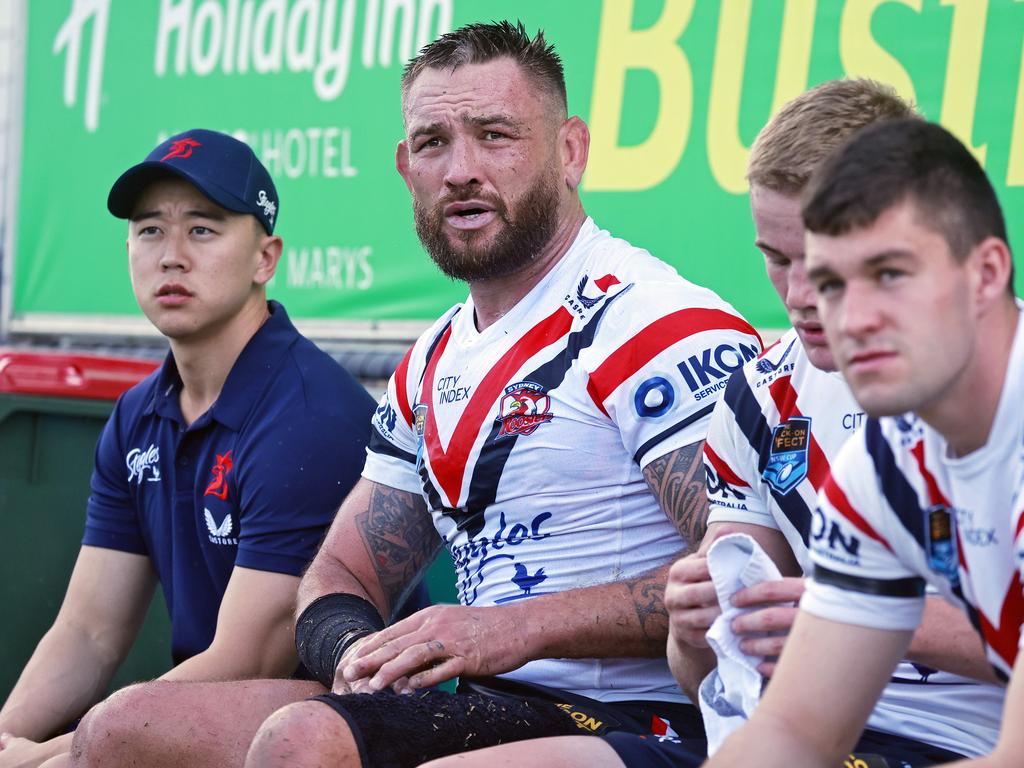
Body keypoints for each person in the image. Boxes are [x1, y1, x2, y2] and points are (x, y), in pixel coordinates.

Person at [65, 20, 762, 768]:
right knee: (121, 728)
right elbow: (340, 575)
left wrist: (511, 629)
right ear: (406, 168)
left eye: (495, 135)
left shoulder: (655, 320)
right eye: (434, 143)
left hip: (642, 719)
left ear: (570, 151)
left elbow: (749, 568)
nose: (461, 170)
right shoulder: (431, 358)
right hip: (485, 706)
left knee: (306, 739)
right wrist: (354, 650)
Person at [417, 81, 1004, 768]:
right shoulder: (763, 394)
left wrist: (855, 618)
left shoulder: (988, 393)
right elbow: (722, 689)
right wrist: (697, 631)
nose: (801, 296)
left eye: (840, 265)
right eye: (778, 259)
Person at [0, 129, 387, 768]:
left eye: (202, 230)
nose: (172, 256)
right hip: (187, 722)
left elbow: (246, 661)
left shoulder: (311, 415)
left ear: (266, 258)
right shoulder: (136, 415)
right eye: (150, 230)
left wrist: (50, 755)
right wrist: (9, 738)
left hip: (329, 733)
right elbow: (89, 634)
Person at [706, 118, 1022, 766]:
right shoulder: (884, 466)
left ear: (987, 272)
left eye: (889, 273)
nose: (852, 317)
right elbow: (791, 733)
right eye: (831, 283)